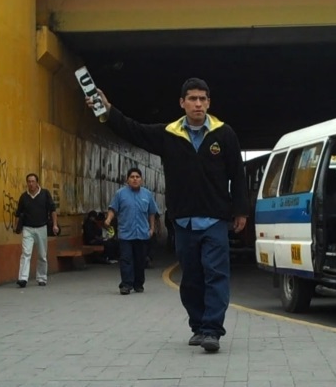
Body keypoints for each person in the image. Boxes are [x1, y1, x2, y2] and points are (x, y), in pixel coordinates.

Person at [85, 77, 249, 353]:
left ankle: (212, 330)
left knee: (216, 274)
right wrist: (109, 110)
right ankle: (199, 326)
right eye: (192, 99)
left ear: (209, 102)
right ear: (182, 103)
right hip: (183, 221)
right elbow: (133, 130)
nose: (198, 104)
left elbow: (237, 174)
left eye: (203, 99)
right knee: (191, 278)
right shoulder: (168, 135)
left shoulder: (224, 134)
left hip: (215, 220)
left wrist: (240, 210)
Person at [104, 167, 159, 295]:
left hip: (142, 234)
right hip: (125, 233)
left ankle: (138, 284)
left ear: (141, 179)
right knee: (126, 259)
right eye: (132, 177)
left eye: (137, 177)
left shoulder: (147, 195)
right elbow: (113, 209)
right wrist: (108, 219)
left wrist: (152, 229)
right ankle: (126, 285)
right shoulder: (120, 194)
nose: (135, 179)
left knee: (140, 260)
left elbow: (152, 213)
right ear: (127, 180)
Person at [14, 173, 58, 288]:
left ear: (37, 182)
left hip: (41, 227)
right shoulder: (24, 197)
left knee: (42, 255)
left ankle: (42, 278)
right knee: (26, 253)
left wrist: (55, 225)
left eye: (33, 181)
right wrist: (16, 226)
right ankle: (23, 278)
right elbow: (18, 213)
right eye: (29, 181)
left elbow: (53, 210)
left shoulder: (45, 194)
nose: (31, 184)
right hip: (27, 228)